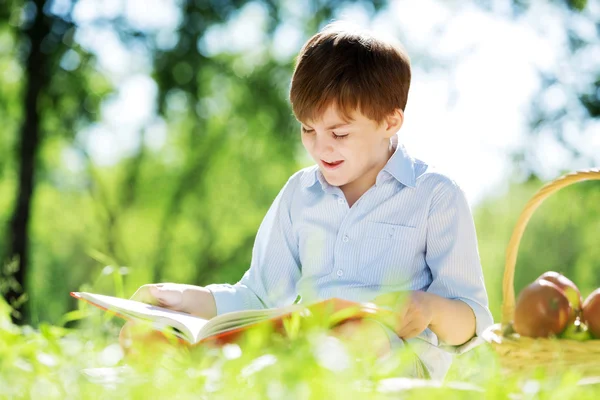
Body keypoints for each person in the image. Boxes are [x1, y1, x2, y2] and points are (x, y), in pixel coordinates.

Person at [121, 21, 494, 380]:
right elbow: (259, 296)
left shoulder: (435, 195)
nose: (320, 146)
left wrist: (430, 308)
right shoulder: (300, 194)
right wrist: (181, 299)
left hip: (397, 363)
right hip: (307, 350)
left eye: (339, 132)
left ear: (390, 122)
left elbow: (472, 320)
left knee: (349, 342)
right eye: (308, 128)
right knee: (154, 336)